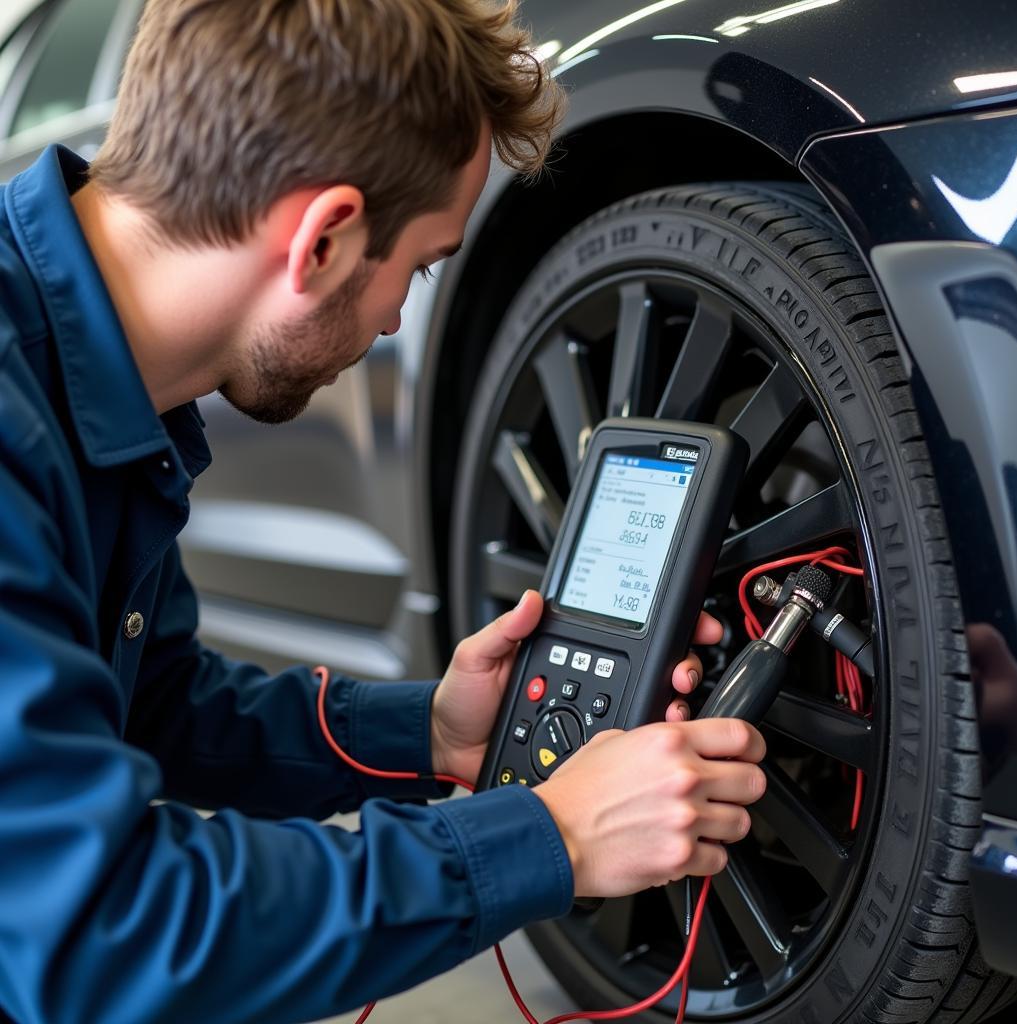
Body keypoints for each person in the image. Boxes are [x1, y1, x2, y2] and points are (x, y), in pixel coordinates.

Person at [0, 1, 767, 1021]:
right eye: (417, 267)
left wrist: (429, 733)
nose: (400, 315)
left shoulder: (80, 375)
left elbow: (157, 705)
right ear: (323, 239)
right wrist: (551, 838)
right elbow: (96, 931)